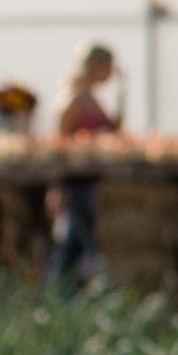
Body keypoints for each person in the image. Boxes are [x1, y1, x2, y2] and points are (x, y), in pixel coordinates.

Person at [46, 45, 126, 286]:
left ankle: (57, 293)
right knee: (85, 241)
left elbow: (114, 128)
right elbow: (60, 141)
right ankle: (57, 292)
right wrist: (56, 184)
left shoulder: (87, 95)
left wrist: (123, 93)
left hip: (85, 177)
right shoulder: (75, 97)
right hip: (75, 178)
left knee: (76, 242)